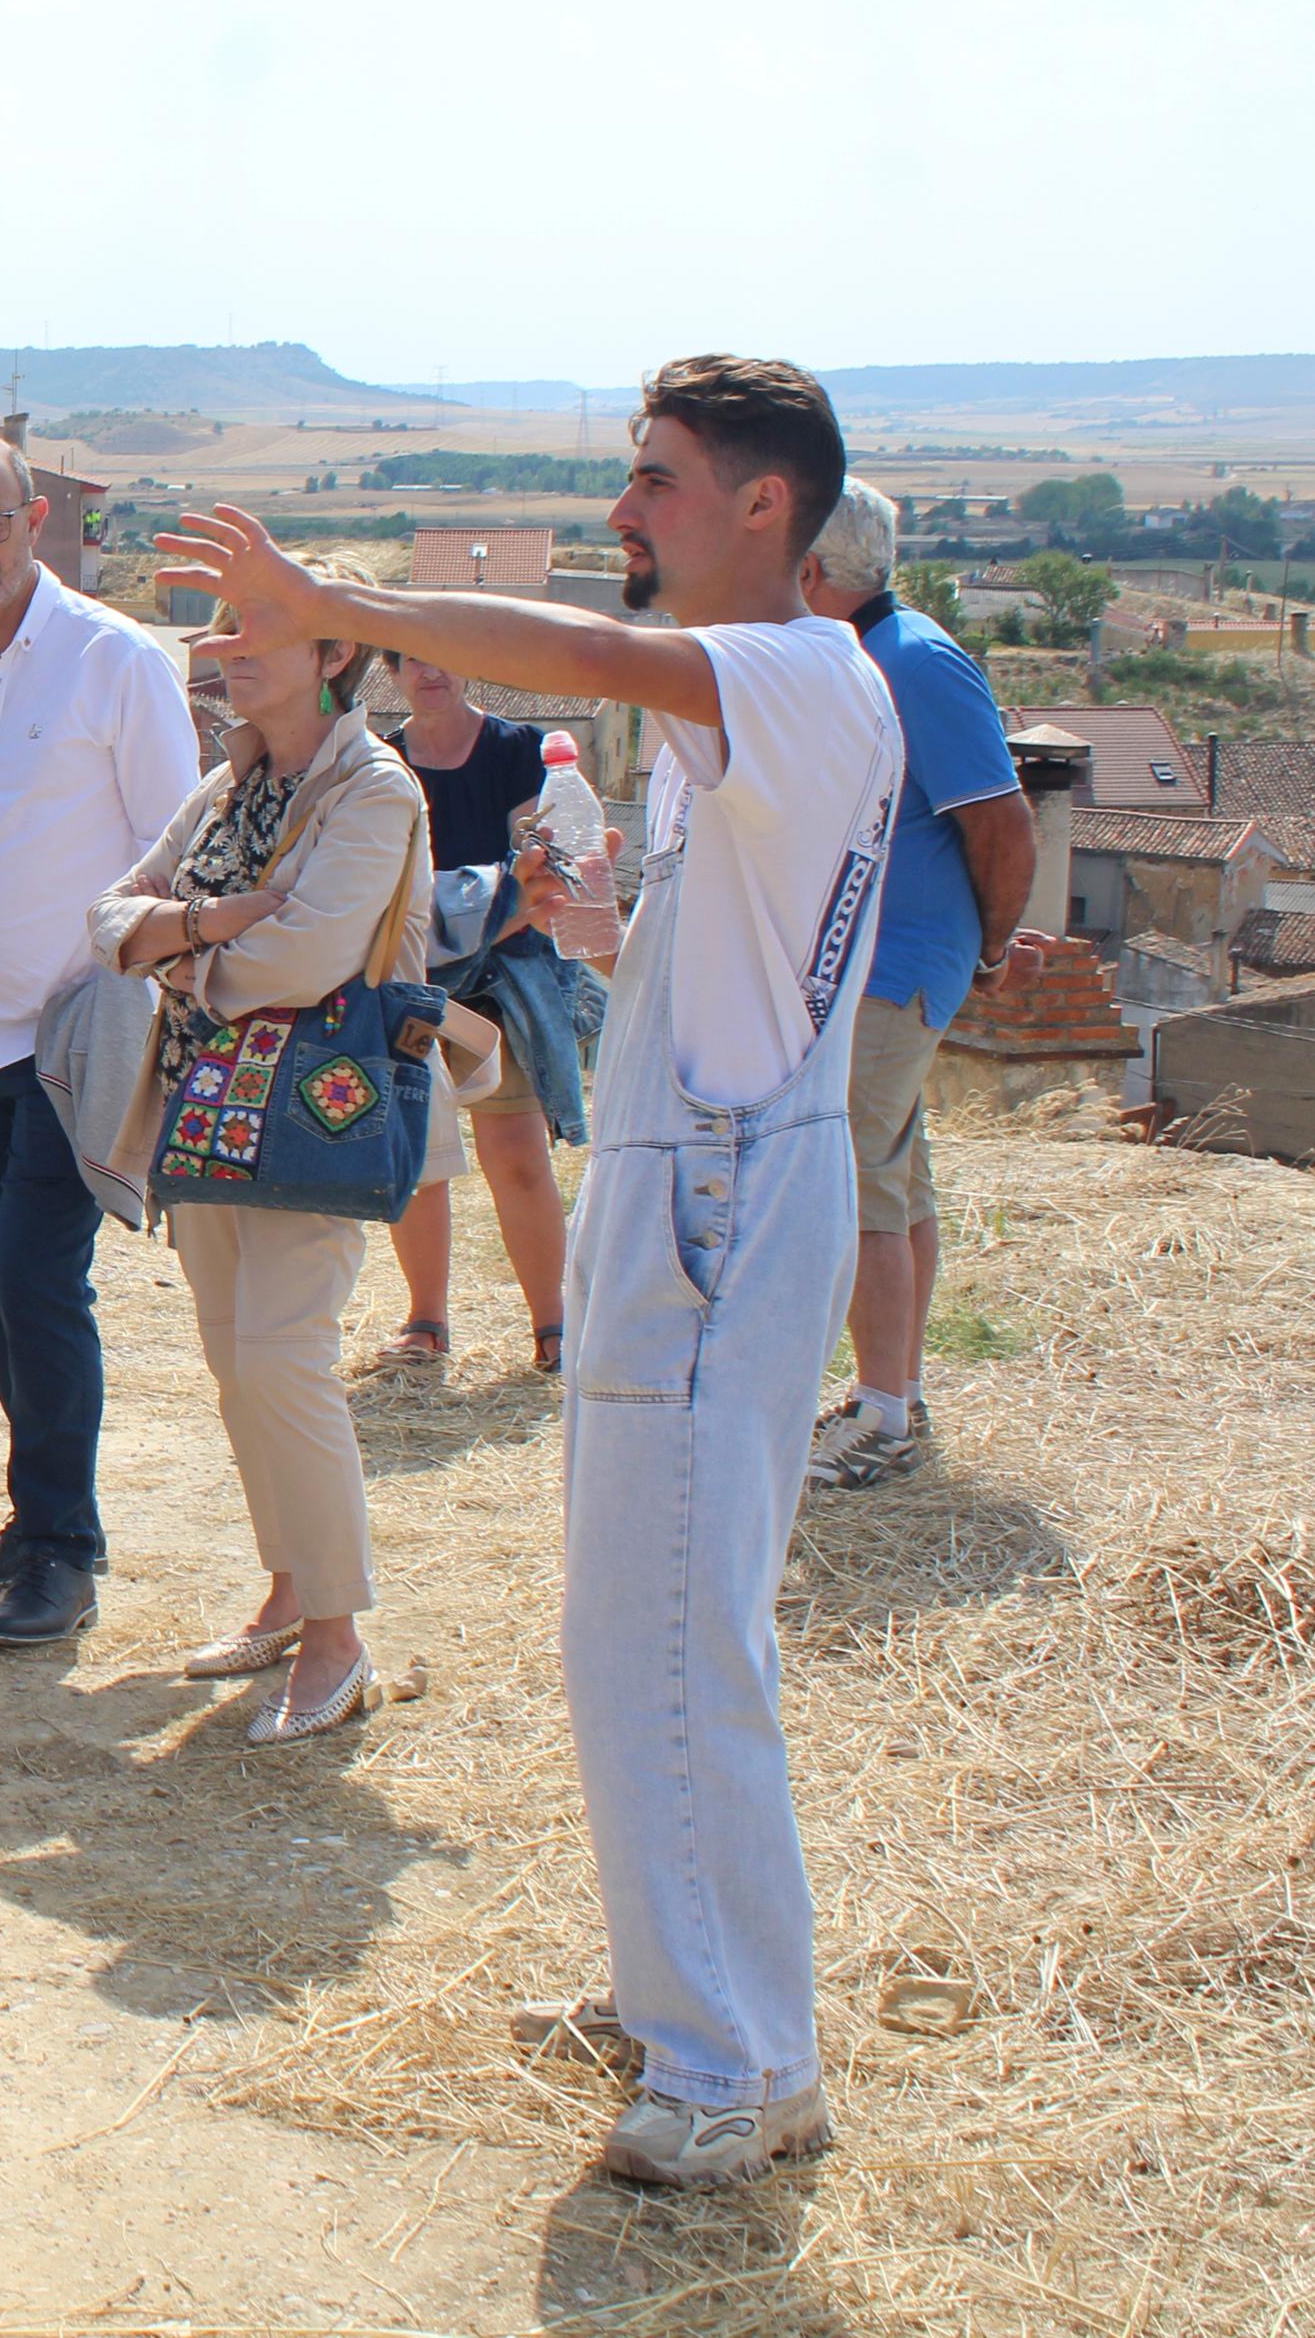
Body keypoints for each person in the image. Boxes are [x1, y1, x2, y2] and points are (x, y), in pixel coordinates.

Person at [158, 352, 900, 2189]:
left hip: (718, 1197)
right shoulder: (770, 705)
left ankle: (729, 2061)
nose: (625, 512)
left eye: (655, 479)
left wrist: (338, 604)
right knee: (645, 1620)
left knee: (655, 1630)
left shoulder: (789, 666)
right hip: (706, 1178)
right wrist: (605, 931)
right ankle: (700, 2007)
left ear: (760, 506)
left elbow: (574, 651)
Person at [88, 568, 474, 1742]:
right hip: (207, 1102)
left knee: (281, 1360)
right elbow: (111, 910)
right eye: (225, 627)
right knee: (232, 1357)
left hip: (317, 1107)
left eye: (263, 628)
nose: (231, 647)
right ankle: (290, 1588)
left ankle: (339, 1636)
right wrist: (207, 924)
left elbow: (304, 961)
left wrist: (177, 946)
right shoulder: (225, 784)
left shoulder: (373, 791)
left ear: (330, 658)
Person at [0, 430, 202, 1644]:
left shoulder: (114, 662)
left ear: (35, 519)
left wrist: (152, 1018)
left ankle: (64, 1545)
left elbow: (178, 851)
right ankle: (36, 1518)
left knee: (33, 1280)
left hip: (73, 1041)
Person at [800, 478, 1035, 1490]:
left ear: (814, 567)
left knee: (858, 1190)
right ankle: (891, 1390)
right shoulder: (873, 654)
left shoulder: (916, 662)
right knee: (895, 1180)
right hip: (884, 963)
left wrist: (982, 952)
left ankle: (882, 1416)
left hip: (895, 964)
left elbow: (1001, 825)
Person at [373, 656, 577, 1376]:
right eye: (411, 662)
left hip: (503, 985)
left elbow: (544, 872)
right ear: (390, 673)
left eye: (445, 659)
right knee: (419, 1163)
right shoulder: (381, 761)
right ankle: (425, 1321)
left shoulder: (520, 751)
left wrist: (482, 918)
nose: (431, 675)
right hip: (410, 980)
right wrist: (491, 906)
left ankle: (554, 1328)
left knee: (516, 1157)